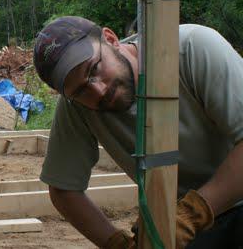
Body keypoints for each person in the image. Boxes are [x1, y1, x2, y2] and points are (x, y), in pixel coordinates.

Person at [33, 16, 243, 249]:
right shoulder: (77, 106)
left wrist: (192, 214)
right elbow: (63, 189)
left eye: (95, 68)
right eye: (81, 90)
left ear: (111, 39)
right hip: (197, 224)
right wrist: (116, 243)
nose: (98, 90)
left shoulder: (192, 49)